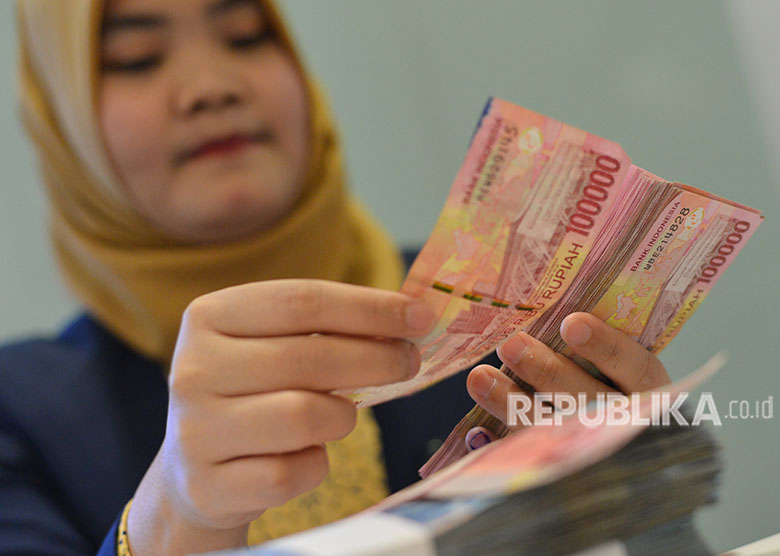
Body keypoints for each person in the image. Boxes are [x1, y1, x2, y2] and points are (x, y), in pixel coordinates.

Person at [0, 1, 671, 555]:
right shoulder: (23, 410)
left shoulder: (521, 319)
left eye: (245, 36)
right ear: (63, 121)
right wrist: (174, 516)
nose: (212, 86)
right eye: (137, 59)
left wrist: (646, 475)